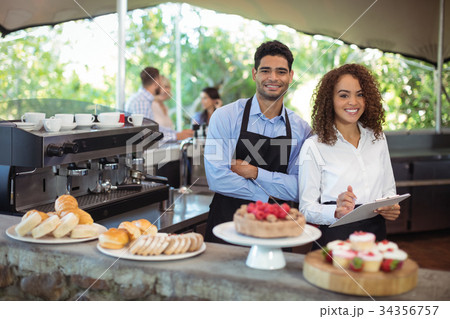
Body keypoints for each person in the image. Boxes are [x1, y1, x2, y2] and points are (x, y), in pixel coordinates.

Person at [204, 40, 311, 243]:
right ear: (255, 74)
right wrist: (268, 197)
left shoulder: (301, 129)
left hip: (277, 228)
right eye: (265, 71)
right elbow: (218, 177)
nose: (273, 78)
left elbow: (300, 187)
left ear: (291, 76)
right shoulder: (225, 117)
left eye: (281, 71)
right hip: (228, 225)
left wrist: (255, 173)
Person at [298, 63, 401, 249]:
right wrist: (336, 211)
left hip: (375, 235)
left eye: (360, 94)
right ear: (330, 100)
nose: (353, 102)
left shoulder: (377, 138)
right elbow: (306, 209)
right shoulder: (313, 146)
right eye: (344, 95)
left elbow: (389, 191)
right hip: (335, 237)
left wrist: (391, 208)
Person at [126, 67, 192, 142]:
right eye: (160, 81)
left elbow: (155, 128)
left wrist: (177, 134)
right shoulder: (141, 102)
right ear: (156, 82)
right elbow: (146, 134)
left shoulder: (144, 100)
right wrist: (176, 136)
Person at [152, 76, 194, 141]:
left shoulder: (165, 107)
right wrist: (177, 135)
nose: (164, 90)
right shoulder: (151, 106)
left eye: (166, 87)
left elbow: (165, 131)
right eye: (160, 87)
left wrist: (182, 133)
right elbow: (152, 134)